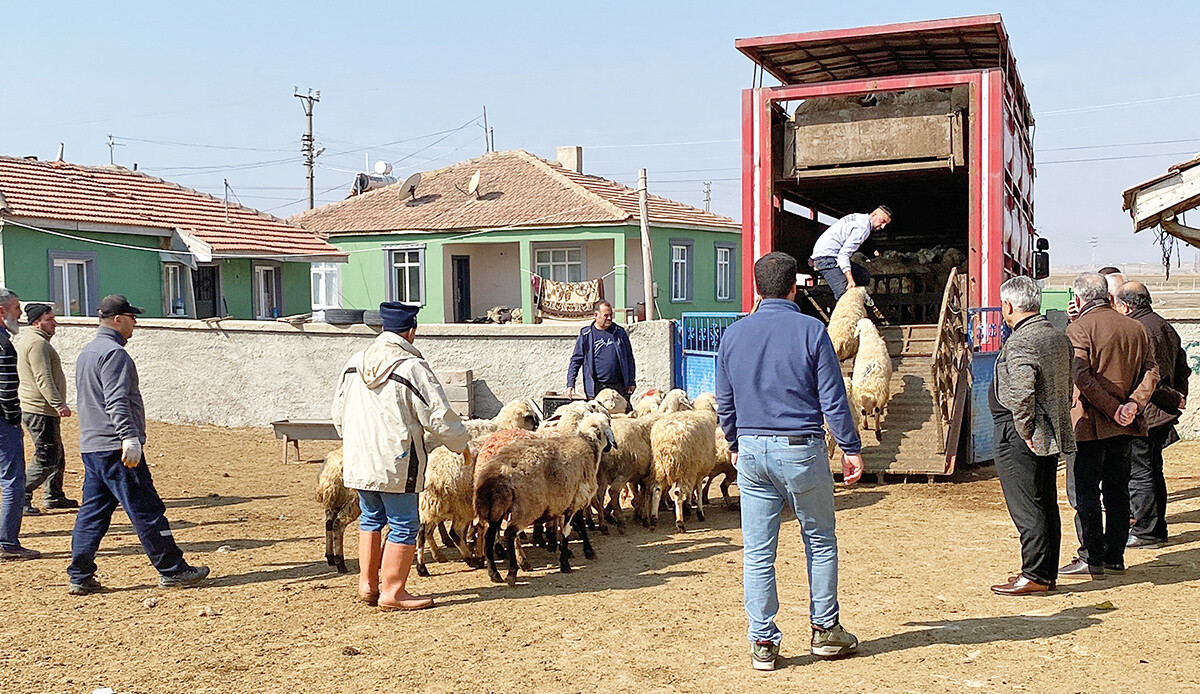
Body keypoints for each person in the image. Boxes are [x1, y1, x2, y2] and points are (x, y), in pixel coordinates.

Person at [715, 251, 864, 671]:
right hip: (800, 449)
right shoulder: (811, 331)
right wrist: (851, 447)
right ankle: (825, 630)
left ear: (756, 288)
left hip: (752, 451)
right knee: (818, 540)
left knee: (758, 551)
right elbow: (833, 399)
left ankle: (763, 642)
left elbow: (724, 402)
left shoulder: (733, 335)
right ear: (794, 288)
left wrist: (734, 442)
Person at [331, 301, 470, 611]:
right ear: (411, 331)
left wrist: (355, 443)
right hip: (397, 459)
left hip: (360, 459)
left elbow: (338, 413)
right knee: (404, 523)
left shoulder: (354, 362)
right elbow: (438, 416)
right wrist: (461, 444)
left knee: (371, 518)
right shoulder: (411, 368)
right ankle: (394, 591)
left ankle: (368, 584)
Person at [68, 295, 210, 594]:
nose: (135, 323)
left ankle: (80, 574)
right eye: (132, 318)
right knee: (146, 509)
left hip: (93, 446)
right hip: (116, 447)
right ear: (117, 319)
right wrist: (128, 437)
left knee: (92, 512)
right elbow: (117, 400)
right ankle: (172, 569)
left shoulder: (87, 352)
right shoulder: (114, 354)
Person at [1062, 274, 1159, 579]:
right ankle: (1114, 556)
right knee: (1117, 491)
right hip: (1126, 423)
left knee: (1085, 492)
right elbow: (1152, 370)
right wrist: (1133, 405)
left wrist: (1114, 408)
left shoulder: (1078, 329)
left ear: (1078, 299)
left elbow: (1082, 376)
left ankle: (1090, 556)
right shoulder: (1135, 327)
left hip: (1090, 423)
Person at [988, 277, 1075, 596]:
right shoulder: (1057, 335)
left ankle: (1035, 574)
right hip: (1049, 428)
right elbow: (1068, 384)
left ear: (1008, 306)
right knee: (1045, 500)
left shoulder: (1022, 341)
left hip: (1021, 431)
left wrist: (1024, 429)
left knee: (1027, 504)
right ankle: (1045, 571)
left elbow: (1022, 391)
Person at [1115, 281, 1189, 547]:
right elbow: (1183, 368)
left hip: (1146, 412)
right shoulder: (1163, 325)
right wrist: (1179, 396)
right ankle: (1156, 528)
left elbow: (1149, 378)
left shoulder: (1138, 330)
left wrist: (1173, 398)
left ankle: (1147, 530)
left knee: (1141, 474)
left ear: (1125, 305)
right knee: (1153, 471)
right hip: (1160, 412)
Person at [17, 303, 77, 515]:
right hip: (39, 409)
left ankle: (54, 495)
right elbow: (43, 377)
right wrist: (58, 403)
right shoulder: (37, 343)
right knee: (47, 455)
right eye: (49, 319)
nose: (55, 323)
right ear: (36, 322)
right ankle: (20, 496)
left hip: (41, 409)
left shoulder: (35, 340)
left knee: (56, 453)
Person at [0, 288, 39, 561]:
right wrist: (15, 420)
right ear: (1, 312)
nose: (21, 314)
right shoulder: (3, 344)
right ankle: (7, 542)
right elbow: (6, 389)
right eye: (16, 308)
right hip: (2, 422)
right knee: (13, 481)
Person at [809, 206, 893, 298]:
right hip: (826, 258)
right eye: (882, 221)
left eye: (886, 224)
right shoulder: (862, 228)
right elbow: (844, 254)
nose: (883, 226)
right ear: (874, 215)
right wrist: (850, 280)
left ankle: (835, 287)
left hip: (830, 255)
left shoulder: (859, 218)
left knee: (864, 277)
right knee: (845, 295)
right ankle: (838, 292)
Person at [565, 300, 636, 401]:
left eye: (611, 315)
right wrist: (570, 384)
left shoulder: (619, 333)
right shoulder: (587, 334)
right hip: (596, 388)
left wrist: (631, 382)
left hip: (619, 387)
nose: (609, 318)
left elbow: (629, 358)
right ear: (596, 315)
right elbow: (576, 360)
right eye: (606, 315)